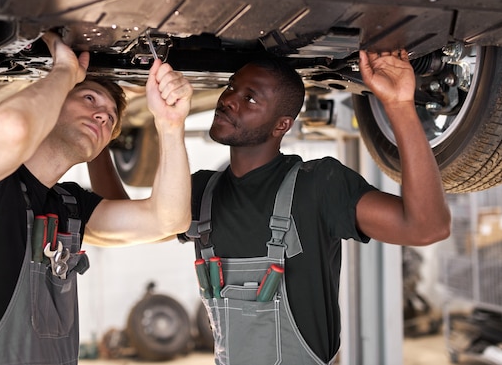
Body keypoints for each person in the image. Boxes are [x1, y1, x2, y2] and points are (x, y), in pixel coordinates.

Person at [0, 30, 193, 365]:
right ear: (52, 102)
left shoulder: (69, 206)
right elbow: (14, 129)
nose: (103, 115)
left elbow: (168, 219)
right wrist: (64, 72)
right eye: (90, 98)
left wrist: (169, 125)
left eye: (110, 117)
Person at [178, 49, 451, 364]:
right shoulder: (202, 194)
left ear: (281, 125)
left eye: (250, 99)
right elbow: (113, 221)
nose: (228, 99)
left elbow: (429, 226)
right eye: (231, 87)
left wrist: (400, 106)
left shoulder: (318, 186)